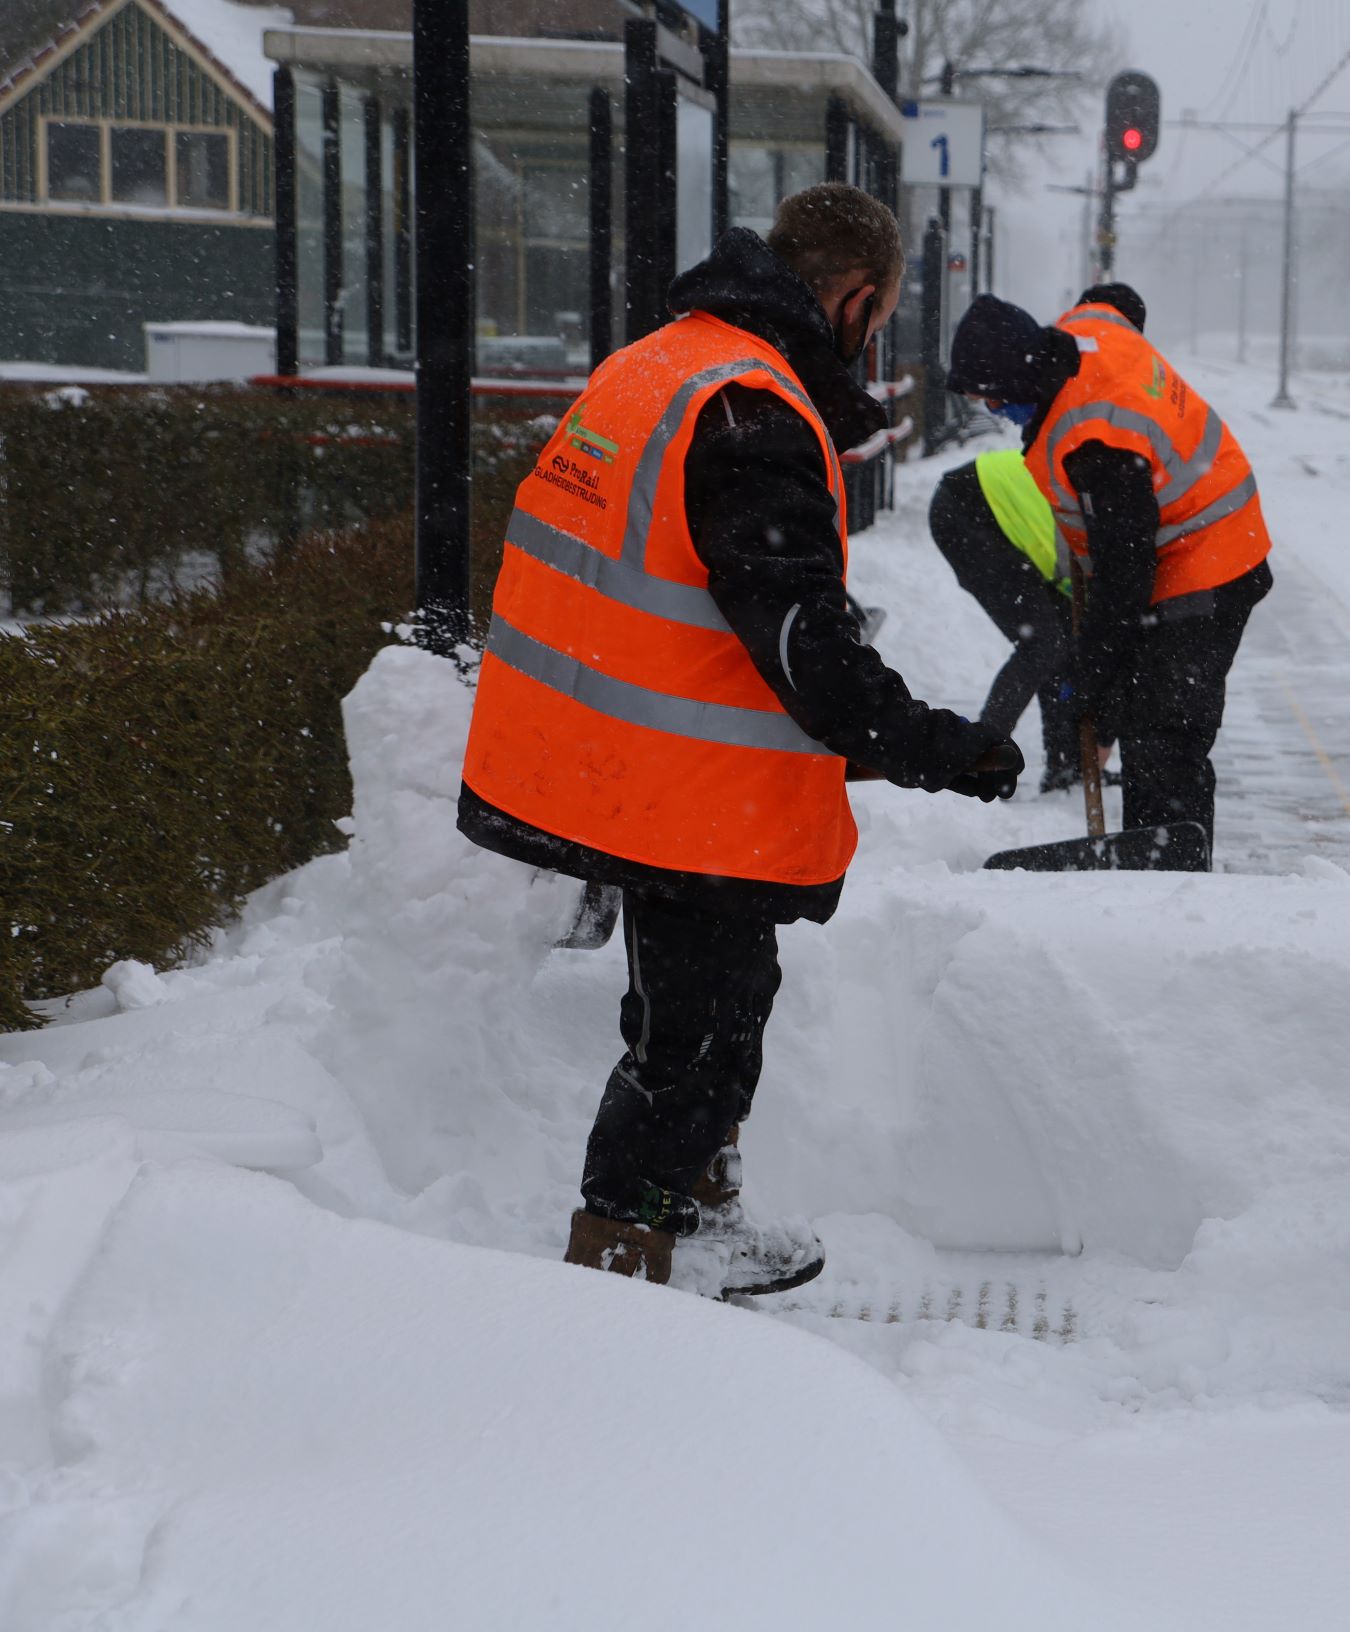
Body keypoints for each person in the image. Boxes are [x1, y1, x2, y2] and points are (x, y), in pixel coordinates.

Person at [459, 185, 1024, 1295]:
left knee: (708, 1006)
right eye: (881, 314)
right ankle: (617, 1265)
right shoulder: (749, 413)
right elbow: (804, 639)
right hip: (673, 774)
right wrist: (937, 747)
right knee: (694, 1037)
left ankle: (690, 1216)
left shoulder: (665, 364)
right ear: (858, 298)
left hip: (605, 743)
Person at [946, 292, 1273, 871]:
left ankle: (1172, 885)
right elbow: (1120, 302)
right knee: (1143, 707)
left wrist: (1089, 683)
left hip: (1208, 555)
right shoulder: (1087, 326)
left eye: (995, 396)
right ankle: (1152, 867)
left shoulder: (1095, 441)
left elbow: (1124, 583)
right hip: (1184, 535)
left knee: (1165, 736)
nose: (996, 409)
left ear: (1022, 374)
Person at [927, 449, 1093, 791]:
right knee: (1043, 644)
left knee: (1059, 643)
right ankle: (982, 761)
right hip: (970, 510)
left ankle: (1065, 767)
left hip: (985, 506)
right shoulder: (1116, 552)